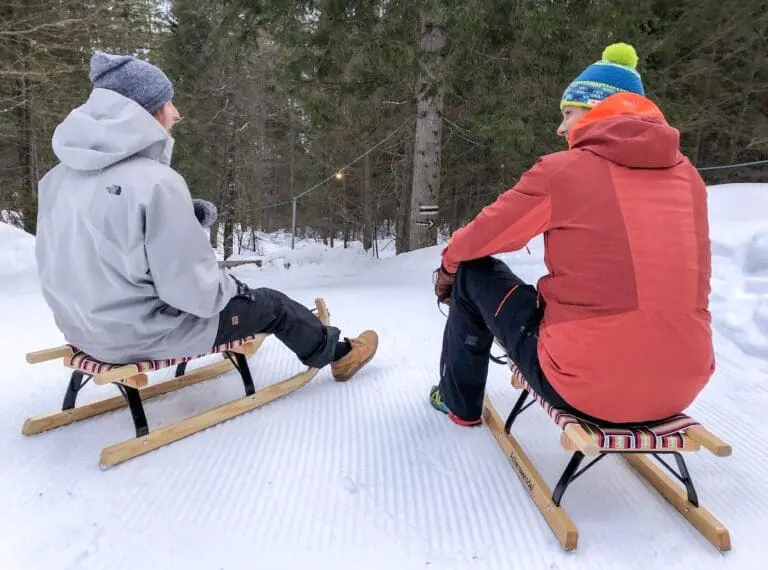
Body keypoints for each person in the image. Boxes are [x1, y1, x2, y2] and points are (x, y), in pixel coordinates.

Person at [35, 52, 378, 382]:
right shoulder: (157, 183)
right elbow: (197, 293)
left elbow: (97, 242)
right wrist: (236, 289)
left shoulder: (56, 179)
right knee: (273, 305)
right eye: (167, 103)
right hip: (144, 335)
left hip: (84, 330)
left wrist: (181, 218)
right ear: (142, 113)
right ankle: (338, 353)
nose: (176, 113)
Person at [429, 43, 714, 426]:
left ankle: (458, 403)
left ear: (597, 110)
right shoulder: (689, 178)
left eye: (568, 113)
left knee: (471, 270)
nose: (561, 127)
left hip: (583, 386)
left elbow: (481, 236)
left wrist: (447, 270)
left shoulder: (565, 171)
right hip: (683, 385)